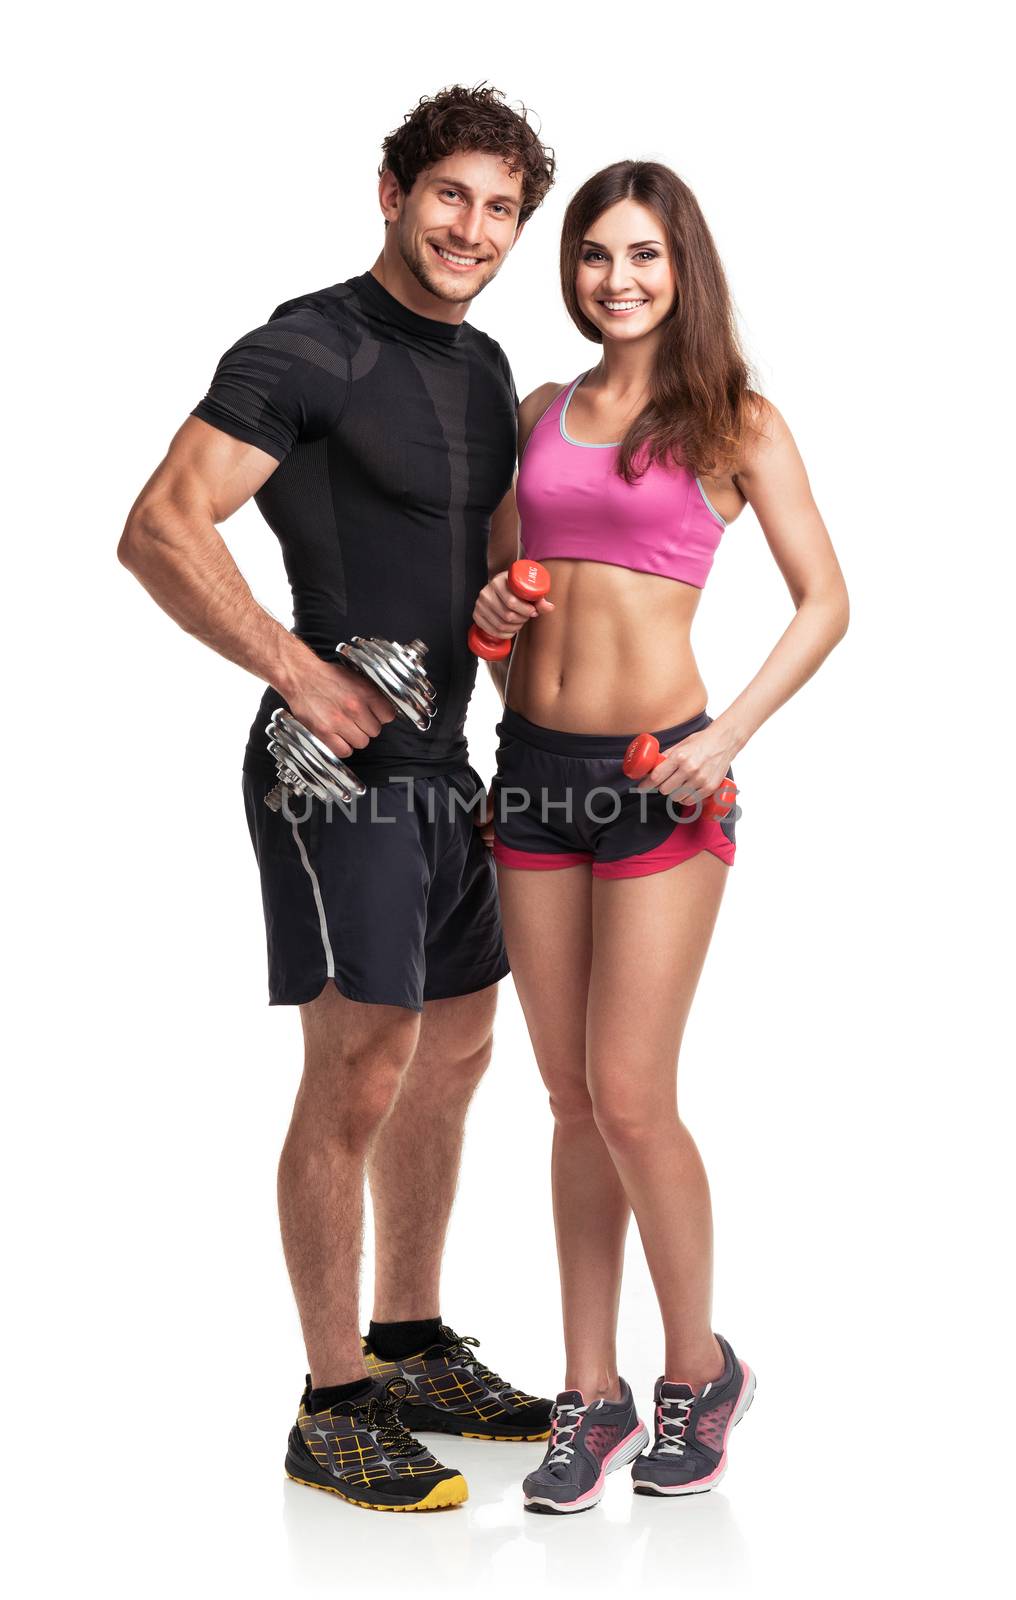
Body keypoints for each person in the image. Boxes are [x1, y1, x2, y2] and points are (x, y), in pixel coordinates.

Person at [118, 84, 557, 1513]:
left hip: (447, 768)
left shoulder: (486, 369)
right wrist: (297, 672)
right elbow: (161, 523)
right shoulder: (310, 342)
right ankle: (331, 1403)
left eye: (499, 210)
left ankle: (413, 1338)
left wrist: (500, 624)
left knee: (457, 1052)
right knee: (360, 1067)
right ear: (392, 189)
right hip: (333, 768)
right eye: (451, 196)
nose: (471, 230)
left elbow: (468, 582)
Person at [471, 160, 849, 1514]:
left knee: (630, 1095)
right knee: (568, 1101)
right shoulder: (537, 414)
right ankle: (595, 1392)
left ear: (680, 264)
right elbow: (499, 606)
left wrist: (726, 735)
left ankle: (700, 1369)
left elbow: (825, 602)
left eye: (640, 255)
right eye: (591, 257)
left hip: (657, 788)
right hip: (532, 775)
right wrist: (492, 626)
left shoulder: (735, 421)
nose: (614, 280)